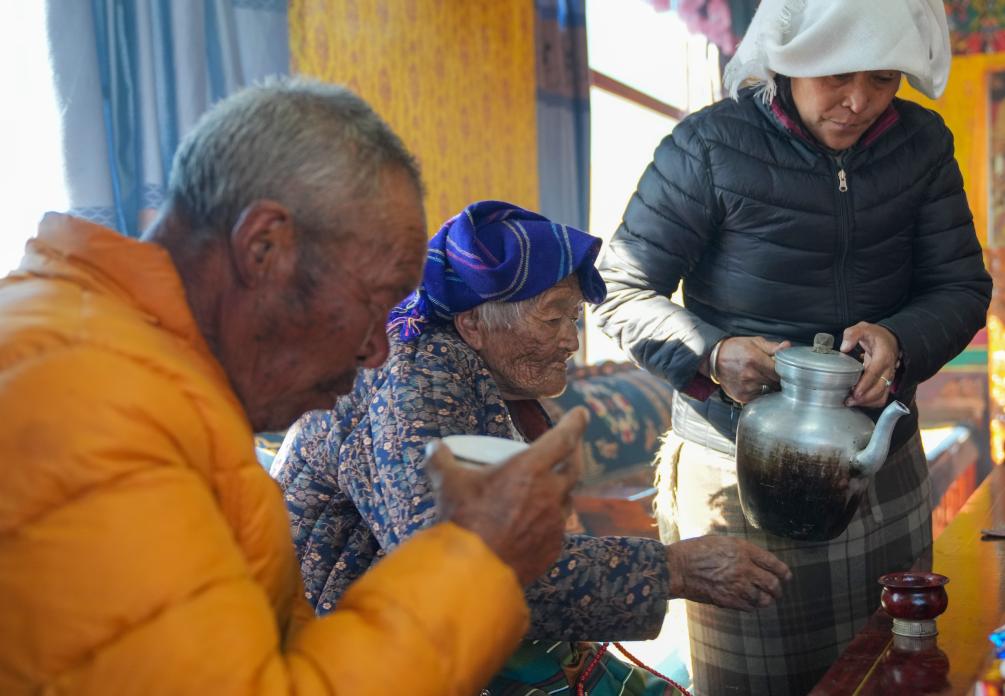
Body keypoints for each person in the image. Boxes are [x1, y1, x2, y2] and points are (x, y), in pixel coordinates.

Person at [0, 80, 594, 696]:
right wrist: (477, 559)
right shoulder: (89, 400)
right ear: (265, 247)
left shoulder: (148, 372)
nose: (378, 350)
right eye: (373, 300)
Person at [594, 1, 993, 694]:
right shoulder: (707, 147)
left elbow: (960, 286)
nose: (859, 102)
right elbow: (620, 290)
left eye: (883, 79)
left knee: (893, 671)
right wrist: (714, 353)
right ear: (788, 57)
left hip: (876, 462)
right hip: (741, 472)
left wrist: (898, 341)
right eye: (836, 75)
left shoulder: (921, 146)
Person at [273, 200, 793, 696]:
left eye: (574, 318)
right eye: (552, 318)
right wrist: (674, 569)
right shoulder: (416, 376)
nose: (571, 340)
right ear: (472, 323)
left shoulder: (459, 367)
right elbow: (462, 565)